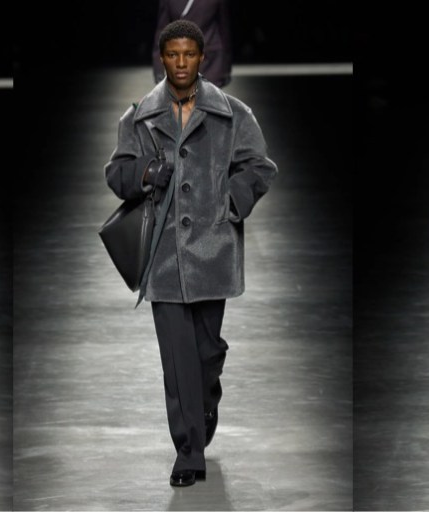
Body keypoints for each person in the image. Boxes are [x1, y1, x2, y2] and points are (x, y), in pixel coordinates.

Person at [106, 19, 276, 488]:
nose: (180, 63)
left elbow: (260, 166)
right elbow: (115, 173)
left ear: (203, 58)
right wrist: (145, 173)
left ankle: (207, 399)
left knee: (205, 352)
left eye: (189, 54)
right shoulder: (138, 117)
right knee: (177, 359)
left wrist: (231, 202)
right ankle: (188, 451)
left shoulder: (232, 114)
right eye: (172, 54)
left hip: (213, 249)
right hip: (162, 254)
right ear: (162, 58)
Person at [151, 0, 233, 88]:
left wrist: (225, 67)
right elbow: (162, 31)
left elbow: (224, 29)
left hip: (209, 60)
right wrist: (158, 67)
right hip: (193, 58)